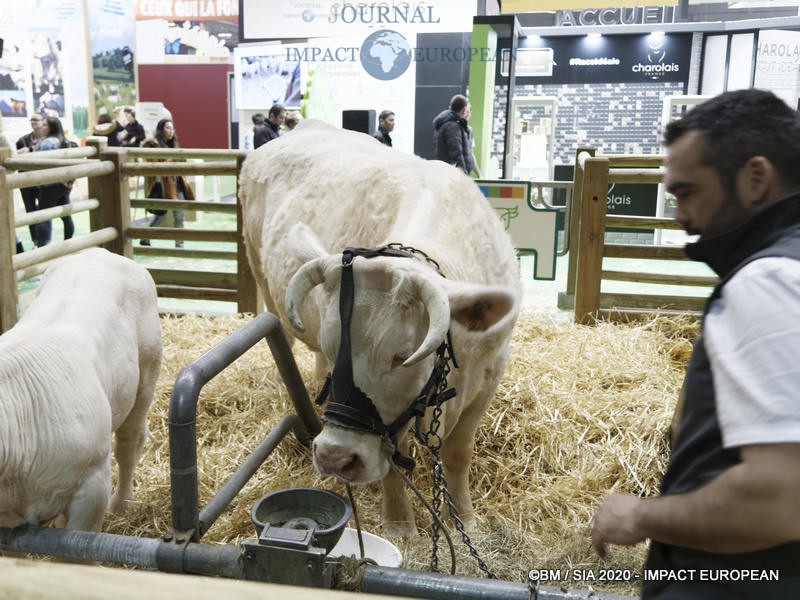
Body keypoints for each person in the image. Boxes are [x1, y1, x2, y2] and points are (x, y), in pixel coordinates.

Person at [590, 89, 800, 599]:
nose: (680, 215)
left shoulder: (769, 280)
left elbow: (779, 498)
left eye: (687, 193)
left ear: (755, 179)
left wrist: (640, 516)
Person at [140, 118, 194, 248]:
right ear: (161, 129)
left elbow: (181, 162)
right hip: (163, 184)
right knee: (161, 215)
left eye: (172, 128)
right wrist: (173, 159)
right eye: (167, 128)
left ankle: (179, 244)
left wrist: (181, 160)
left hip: (177, 182)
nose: (171, 131)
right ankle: (145, 237)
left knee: (179, 214)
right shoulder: (152, 145)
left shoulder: (173, 144)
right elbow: (153, 165)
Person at [35, 116, 75, 246]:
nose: (41, 127)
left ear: (51, 127)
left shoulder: (48, 142)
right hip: (64, 184)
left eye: (45, 125)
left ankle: (42, 247)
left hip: (50, 184)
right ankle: (68, 245)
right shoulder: (64, 140)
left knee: (43, 216)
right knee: (66, 216)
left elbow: (41, 163)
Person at [16, 113, 47, 245]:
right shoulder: (22, 140)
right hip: (26, 182)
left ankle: (44, 241)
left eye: (36, 120)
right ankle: (35, 241)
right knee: (30, 211)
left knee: (44, 212)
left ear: (43, 121)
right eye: (31, 120)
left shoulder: (49, 140)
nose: (33, 122)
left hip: (44, 181)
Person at [432, 94, 475, 176]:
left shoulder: (450, 124)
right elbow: (456, 154)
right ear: (464, 110)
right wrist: (464, 176)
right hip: (452, 175)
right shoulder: (452, 126)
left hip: (449, 173)